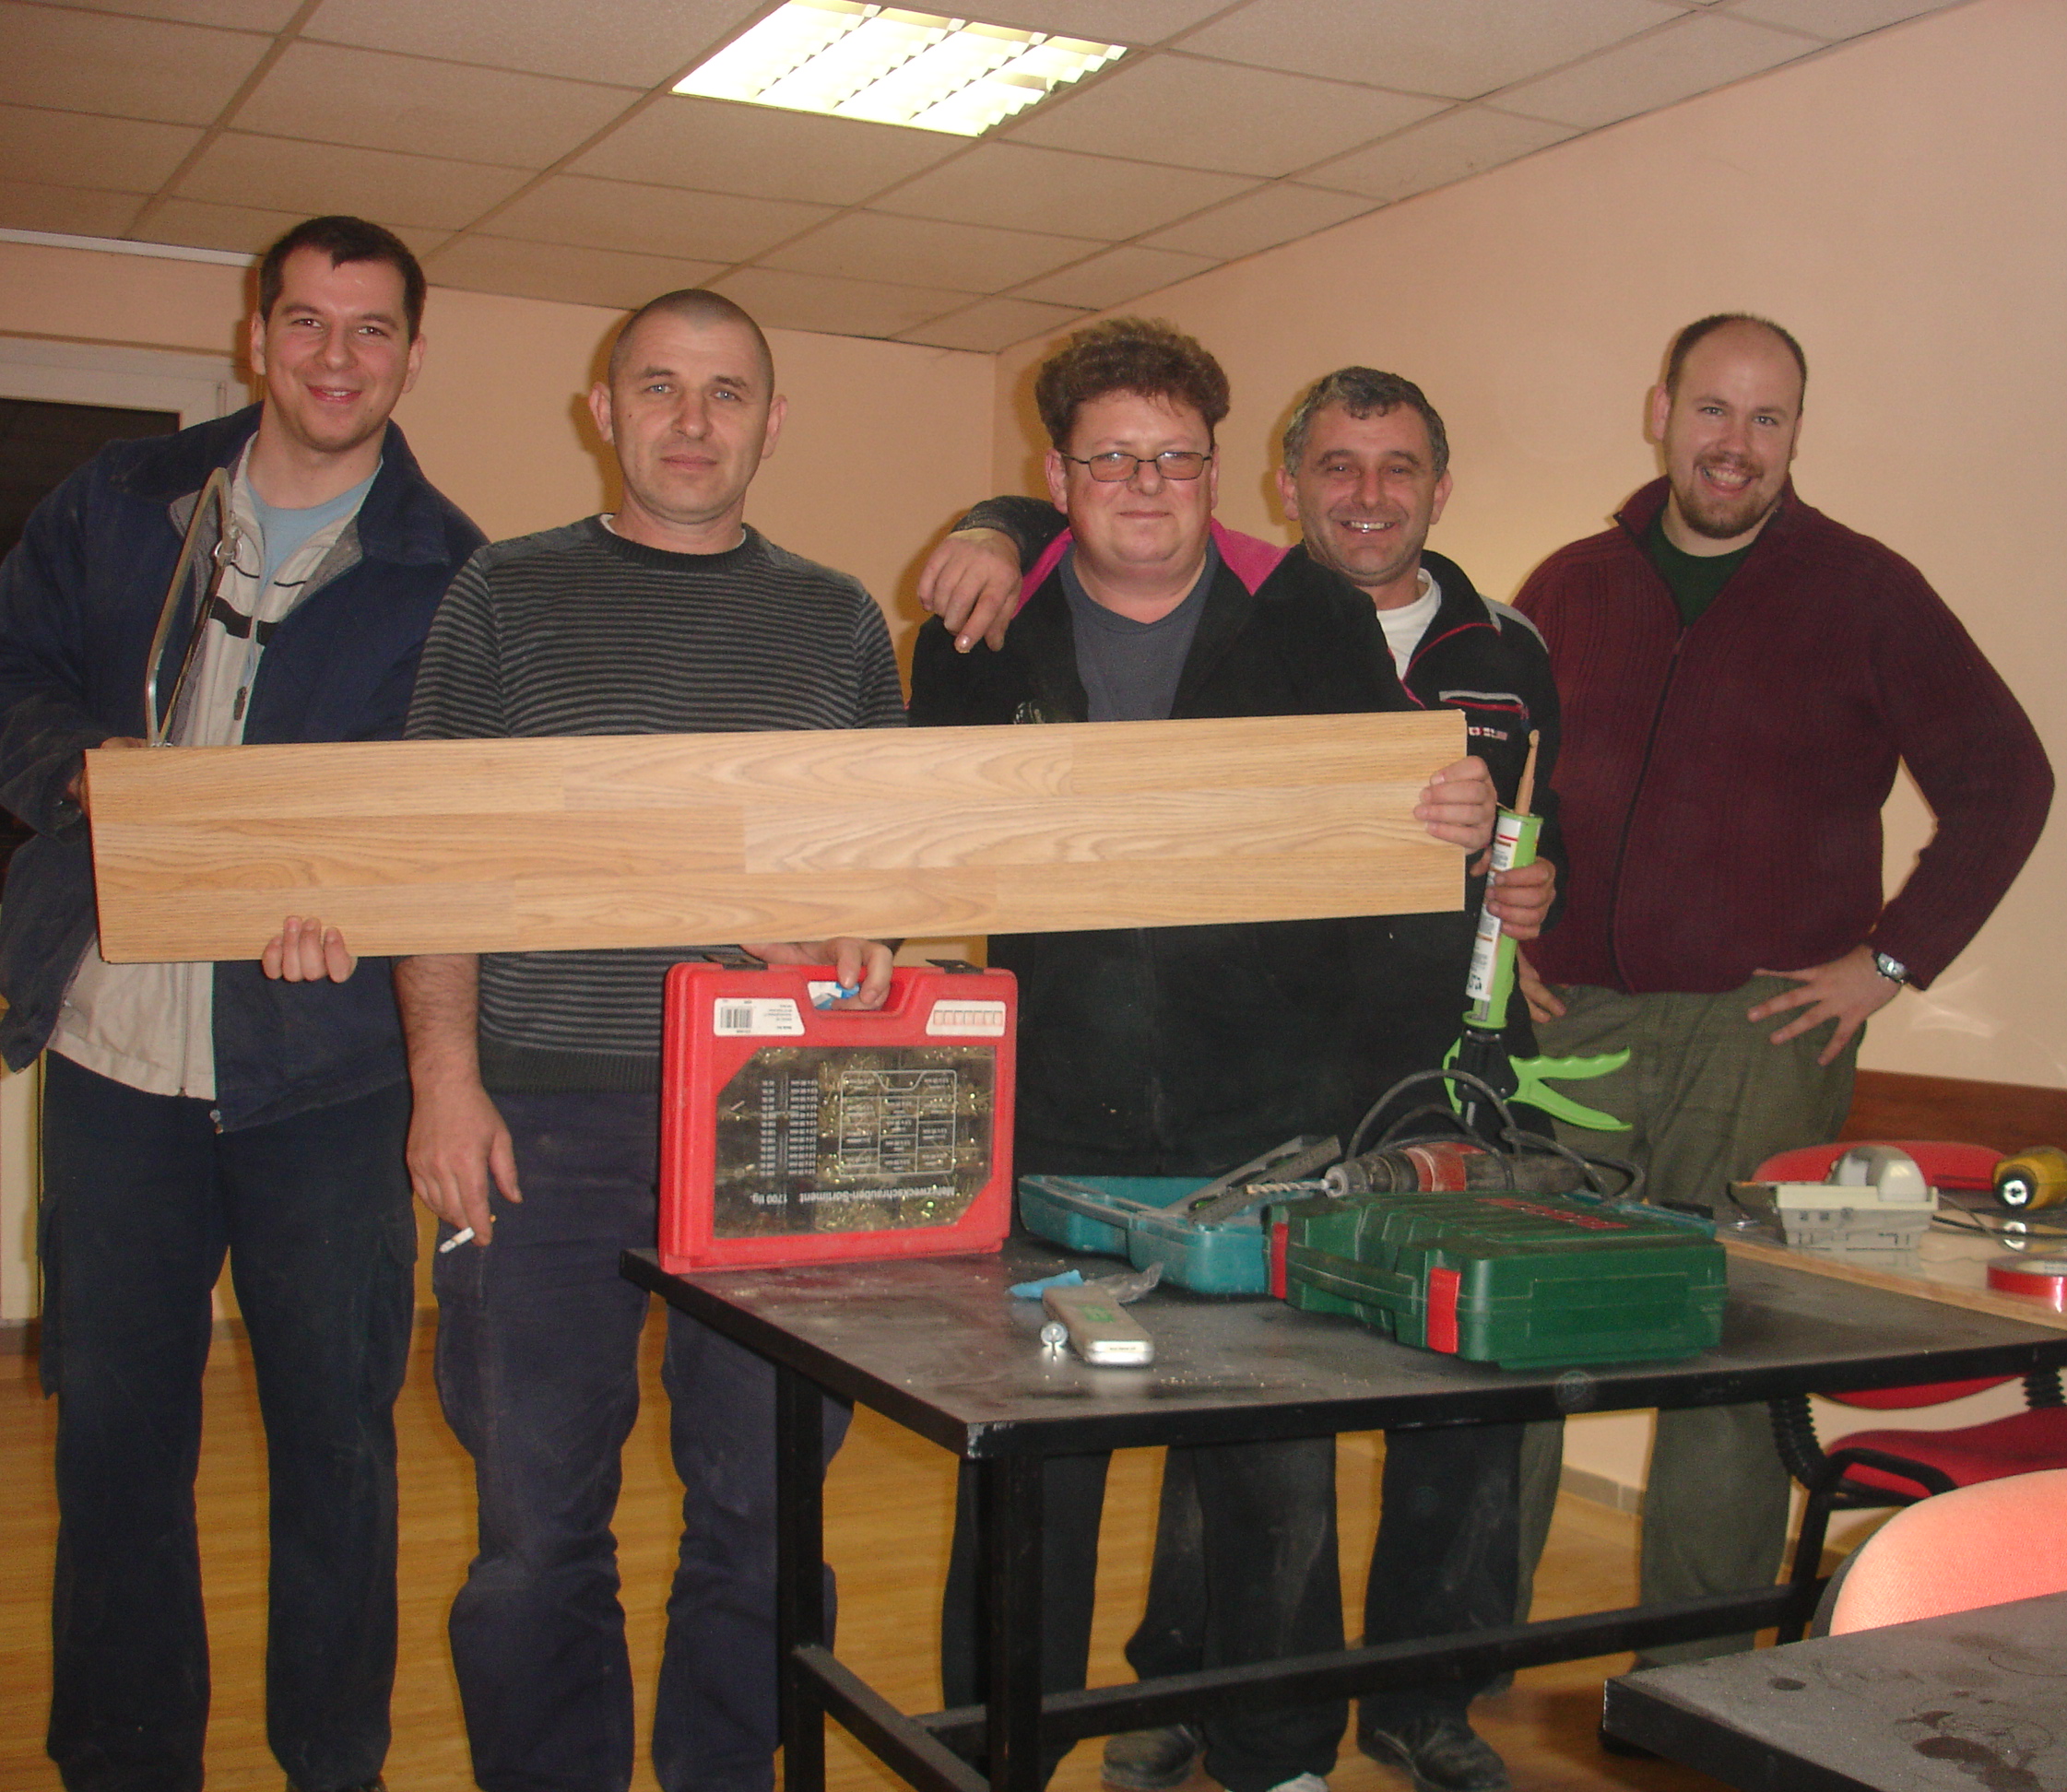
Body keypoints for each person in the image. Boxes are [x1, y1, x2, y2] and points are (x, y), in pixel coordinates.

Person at [916, 366, 1562, 1792]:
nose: (1144, 485)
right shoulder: (982, 626)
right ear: (1058, 479)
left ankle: (1279, 1759)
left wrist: (1456, 823)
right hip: (1051, 1129)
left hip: (1266, 1134)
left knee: (1273, 1476)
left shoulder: (1311, 617)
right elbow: (911, 837)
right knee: (1032, 1481)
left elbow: (1394, 822)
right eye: (1110, 460)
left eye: (1174, 457)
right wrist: (991, 528)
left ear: (1216, 473)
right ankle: (996, 1756)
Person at [390, 289, 902, 1792]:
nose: (692, 421)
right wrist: (443, 1080)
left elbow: (886, 872)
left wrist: (859, 935)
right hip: (543, 1128)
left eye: (726, 392)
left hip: (781, 1123)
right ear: (602, 409)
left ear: (771, 423)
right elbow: (434, 857)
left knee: (764, 1516)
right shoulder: (504, 594)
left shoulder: (838, 621)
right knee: (536, 1529)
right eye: (661, 388)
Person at [0, 216, 484, 1792]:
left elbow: (436, 824)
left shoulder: (453, 570)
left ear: (412, 354)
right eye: (307, 322)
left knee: (337, 1446)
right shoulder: (120, 501)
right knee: (114, 1443)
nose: (336, 357)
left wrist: (360, 912)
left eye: (370, 329)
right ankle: (123, 1762)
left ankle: (333, 1764)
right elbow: (8, 672)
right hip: (113, 1056)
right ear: (255, 336)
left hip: (325, 1073)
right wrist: (83, 773)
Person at [1511, 312, 2054, 1670]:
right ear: (1661, 411)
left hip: (1762, 1034)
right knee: (1510, 1332)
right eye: (1714, 410)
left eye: (1769, 418)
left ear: (1797, 433)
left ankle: (1695, 1678)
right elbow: (1511, 786)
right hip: (1569, 1023)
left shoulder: (1863, 590)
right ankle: (1452, 1667)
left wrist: (1890, 962)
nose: (1736, 444)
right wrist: (1502, 934)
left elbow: (2006, 780)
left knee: (1729, 1357)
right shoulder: (1570, 585)